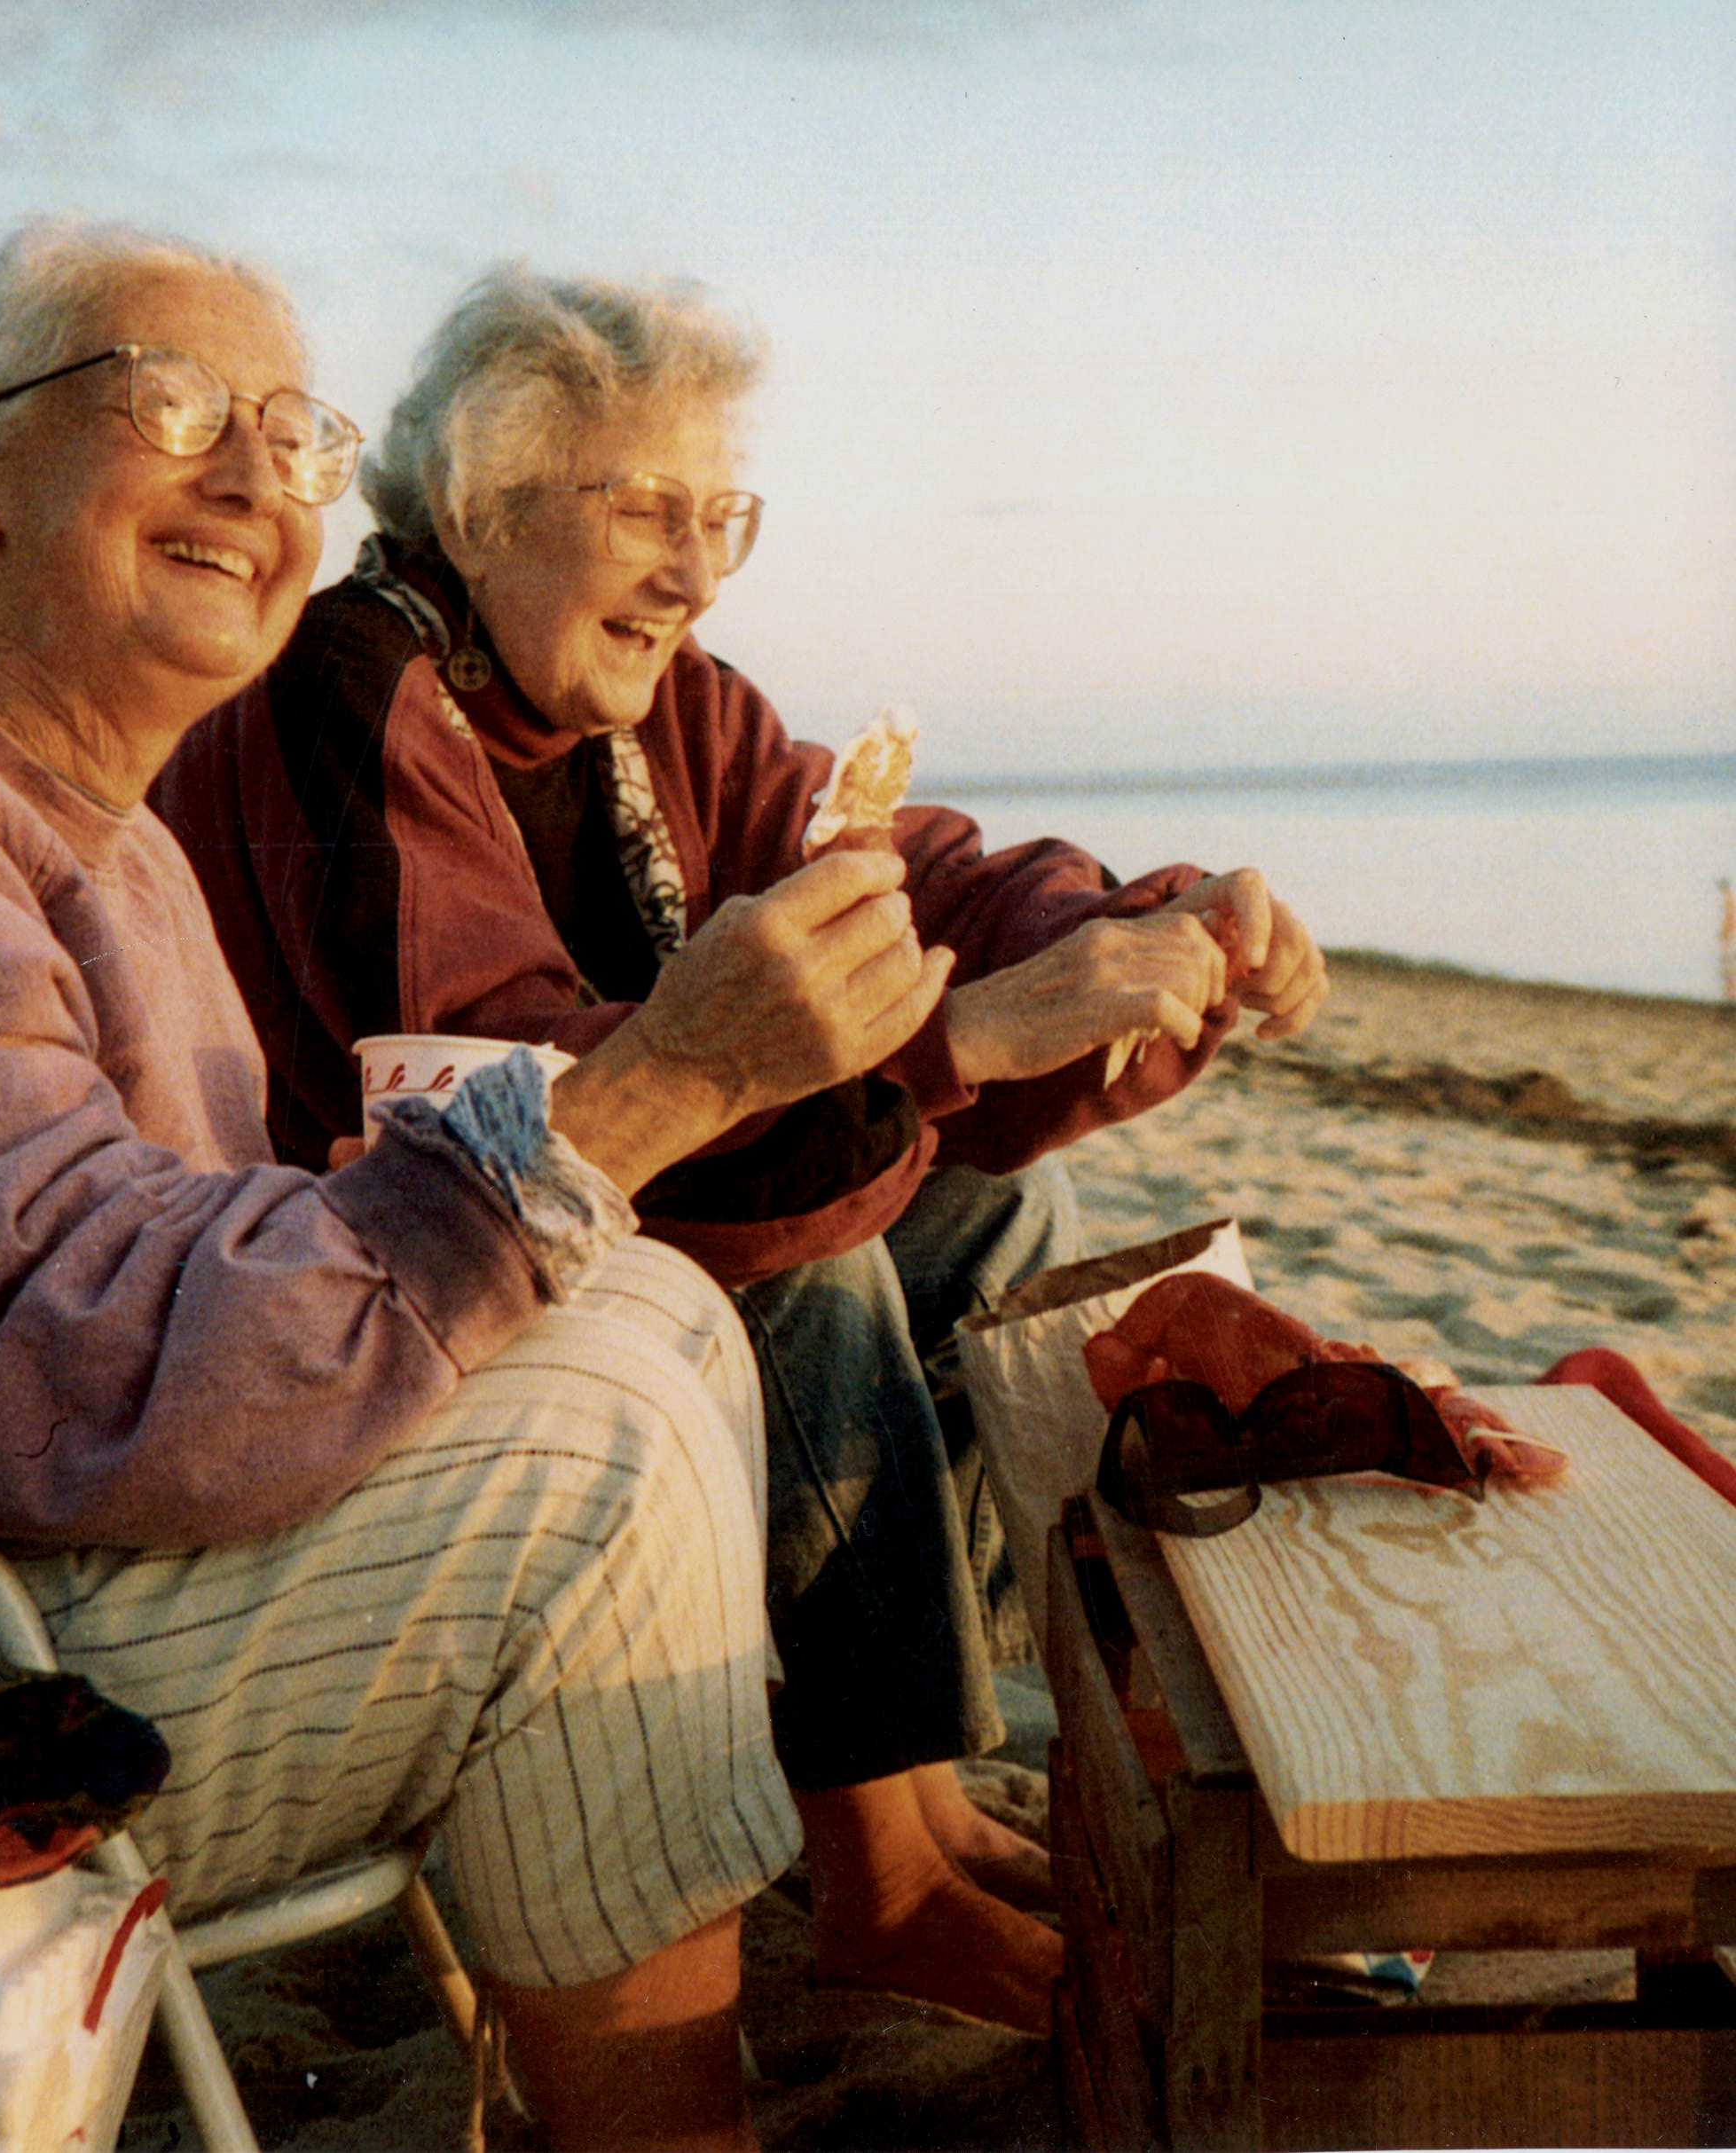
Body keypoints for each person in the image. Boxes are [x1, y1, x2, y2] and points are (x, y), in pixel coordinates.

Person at [0, 223, 958, 2152]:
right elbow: (51, 1372)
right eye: (172, 404)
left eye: (295, 437)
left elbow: (154, 1290)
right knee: (594, 1455)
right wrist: (652, 1089)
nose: (253, 480)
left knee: (647, 1314)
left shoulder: (104, 845)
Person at [153, 263, 1331, 2035]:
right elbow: (513, 1093)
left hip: (571, 1248)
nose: (695, 571)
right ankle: (882, 1872)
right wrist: (963, 1036)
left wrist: (1138, 929)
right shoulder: (351, 695)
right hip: (374, 1315)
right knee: (808, 1270)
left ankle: (913, 1778)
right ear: (480, 506)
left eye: (724, 517)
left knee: (1005, 1213)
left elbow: (893, 866)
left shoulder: (676, 711)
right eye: (644, 508)